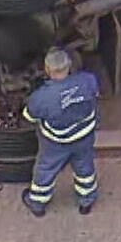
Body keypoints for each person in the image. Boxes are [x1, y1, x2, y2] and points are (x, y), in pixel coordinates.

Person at [21, 46, 100, 216]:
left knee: (46, 168)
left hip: (56, 143)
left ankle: (37, 203)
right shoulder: (88, 80)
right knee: (84, 166)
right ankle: (86, 201)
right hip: (84, 136)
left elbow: (29, 117)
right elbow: (95, 94)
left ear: (47, 69)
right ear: (69, 65)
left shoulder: (41, 97)